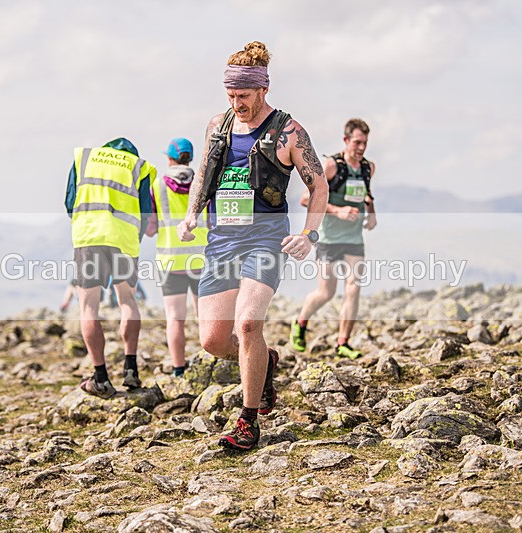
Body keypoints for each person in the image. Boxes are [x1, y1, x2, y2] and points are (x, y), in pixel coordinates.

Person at [177, 41, 329, 451]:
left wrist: (309, 234)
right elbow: (206, 173)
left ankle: (247, 421)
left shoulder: (288, 131)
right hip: (222, 240)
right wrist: (192, 215)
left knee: (248, 325)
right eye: (230, 95)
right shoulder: (218, 125)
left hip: (265, 238)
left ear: (263, 88)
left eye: (243, 96)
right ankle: (265, 362)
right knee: (212, 341)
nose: (237, 103)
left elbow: (319, 185)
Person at [64, 137, 156, 398]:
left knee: (88, 306)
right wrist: (132, 238)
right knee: (127, 299)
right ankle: (130, 369)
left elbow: (70, 202)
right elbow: (145, 211)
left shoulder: (85, 158)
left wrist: (84, 224)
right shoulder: (138, 166)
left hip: (90, 237)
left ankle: (101, 377)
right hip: (124, 239)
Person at [290, 118, 377, 359]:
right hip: (328, 238)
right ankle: (300, 323)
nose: (361, 148)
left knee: (353, 288)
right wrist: (338, 211)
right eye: (357, 142)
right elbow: (306, 200)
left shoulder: (368, 168)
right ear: (346, 140)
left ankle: (342, 343)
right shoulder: (331, 166)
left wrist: (372, 214)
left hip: (354, 239)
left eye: (365, 143)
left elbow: (366, 194)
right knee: (326, 292)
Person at [145, 137, 208, 378]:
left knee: (175, 318)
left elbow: (150, 229)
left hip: (170, 261)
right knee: (205, 316)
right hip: (201, 260)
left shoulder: (157, 185)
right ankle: (211, 358)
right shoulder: (203, 184)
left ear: (170, 158)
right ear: (189, 158)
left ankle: (178, 369)